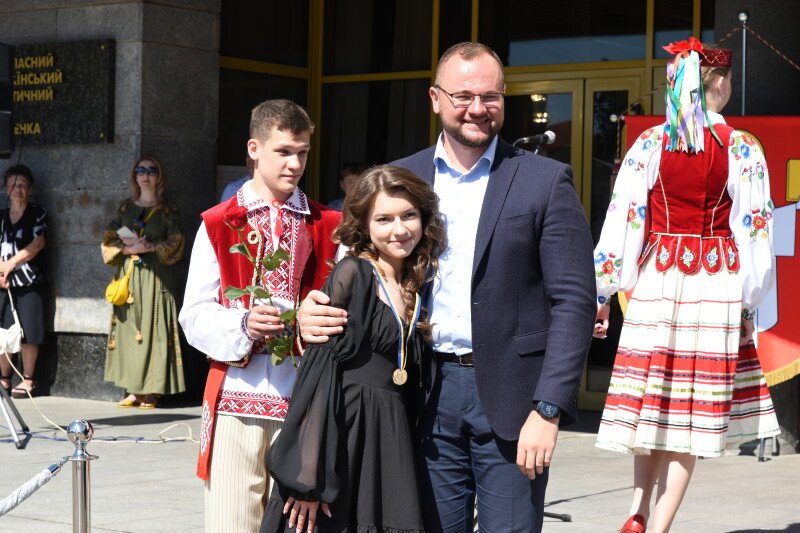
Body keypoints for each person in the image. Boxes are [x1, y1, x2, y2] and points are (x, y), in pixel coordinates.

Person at [298, 42, 597, 533]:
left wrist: (549, 408)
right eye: (463, 96)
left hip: (515, 401)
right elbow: (357, 266)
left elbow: (575, 302)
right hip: (421, 395)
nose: (477, 108)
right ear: (436, 98)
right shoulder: (399, 177)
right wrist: (310, 311)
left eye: (490, 96)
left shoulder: (544, 181)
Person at [592, 39, 780, 533]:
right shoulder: (740, 146)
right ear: (719, 83)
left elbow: (624, 219)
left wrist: (605, 291)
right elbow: (755, 231)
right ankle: (658, 527)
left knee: (653, 399)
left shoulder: (649, 143)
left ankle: (636, 511)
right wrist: (749, 302)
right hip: (714, 282)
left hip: (658, 278)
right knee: (689, 415)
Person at [179, 99, 341, 532]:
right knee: (231, 524)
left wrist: (313, 321)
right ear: (254, 148)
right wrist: (243, 324)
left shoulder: (330, 225)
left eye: (303, 152)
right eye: (283, 151)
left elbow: (345, 314)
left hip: (304, 402)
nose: (295, 164)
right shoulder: (219, 222)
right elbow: (193, 314)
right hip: (236, 398)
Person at [261, 165, 446, 533]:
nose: (399, 229)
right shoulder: (354, 273)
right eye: (384, 219)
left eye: (408, 215)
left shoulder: (414, 281)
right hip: (346, 434)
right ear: (364, 225)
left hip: (388, 431)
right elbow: (319, 372)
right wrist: (308, 476)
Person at [101, 156, 185, 409]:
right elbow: (109, 238)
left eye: (151, 170)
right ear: (135, 176)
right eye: (140, 170)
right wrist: (129, 249)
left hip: (156, 277)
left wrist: (151, 246)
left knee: (153, 329)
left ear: (159, 176)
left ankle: (152, 390)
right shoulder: (125, 209)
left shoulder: (168, 210)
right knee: (130, 330)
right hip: (129, 277)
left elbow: (177, 241)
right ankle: (133, 389)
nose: (145, 175)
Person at [0, 165, 48, 398]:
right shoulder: (1, 216)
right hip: (4, 283)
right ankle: (4, 378)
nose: (17, 190)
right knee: (3, 333)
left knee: (29, 332)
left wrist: (10, 265)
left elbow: (37, 244)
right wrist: (2, 273)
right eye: (13, 185)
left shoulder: (38, 212)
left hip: (30, 282)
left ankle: (28, 379)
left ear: (29, 189)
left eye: (22, 185)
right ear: (5, 189)